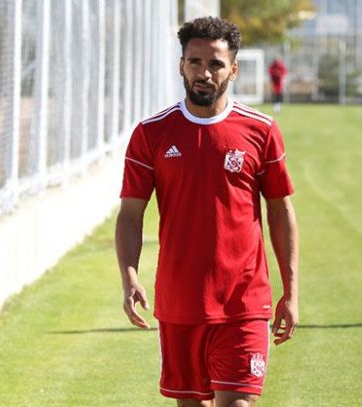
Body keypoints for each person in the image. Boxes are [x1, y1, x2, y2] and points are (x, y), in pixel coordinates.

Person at [115, 17, 299, 407]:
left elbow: (281, 211)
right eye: (195, 62)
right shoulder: (151, 133)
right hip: (180, 302)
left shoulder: (261, 130)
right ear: (181, 65)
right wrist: (129, 276)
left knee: (237, 403)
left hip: (244, 301)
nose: (204, 73)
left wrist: (290, 290)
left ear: (233, 69)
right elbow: (130, 214)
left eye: (215, 64)